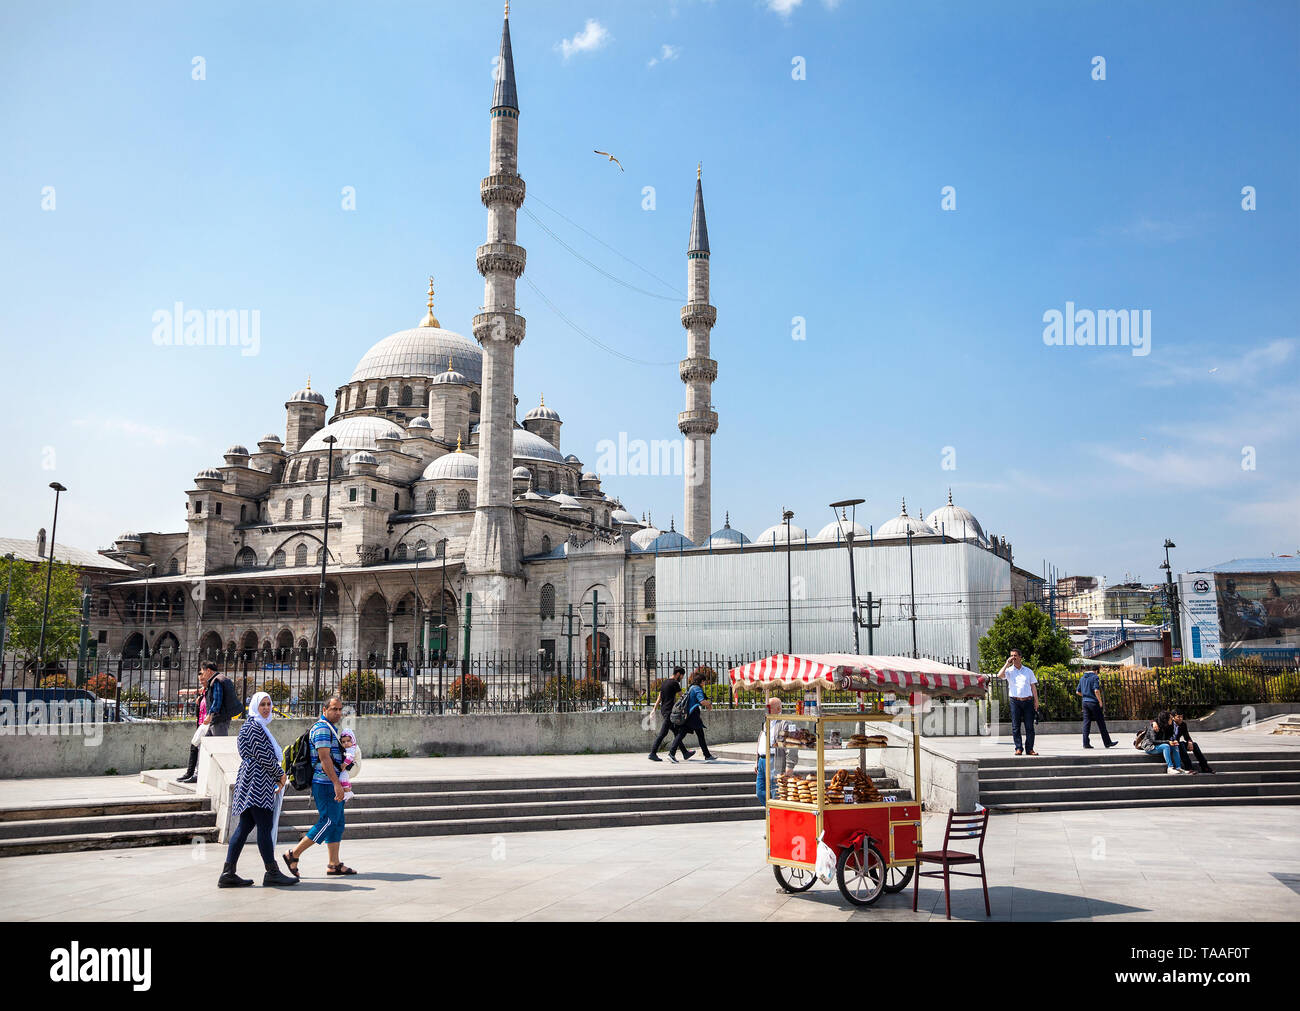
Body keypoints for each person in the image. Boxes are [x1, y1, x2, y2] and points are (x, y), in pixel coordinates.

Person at [218, 692, 300, 888]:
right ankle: (271, 872)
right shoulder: (254, 727)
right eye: (262, 704)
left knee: (245, 826)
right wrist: (279, 774)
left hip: (252, 779)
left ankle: (228, 872)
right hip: (257, 781)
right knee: (264, 826)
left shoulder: (256, 726)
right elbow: (264, 756)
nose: (266, 708)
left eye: (268, 704)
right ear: (254, 706)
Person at [283, 696, 356, 877]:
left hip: (330, 782)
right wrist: (336, 784)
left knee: (337, 823)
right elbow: (324, 759)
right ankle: (294, 854)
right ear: (324, 711)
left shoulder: (330, 728)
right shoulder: (322, 728)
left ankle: (334, 864)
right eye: (334, 709)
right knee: (328, 821)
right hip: (325, 783)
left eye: (340, 709)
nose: (338, 713)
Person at [668, 670, 717, 763]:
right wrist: (709, 704)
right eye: (704, 681)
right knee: (687, 734)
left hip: (688, 714)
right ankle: (671, 753)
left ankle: (707, 755)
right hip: (693, 715)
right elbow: (702, 701)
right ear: (701, 681)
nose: (705, 683)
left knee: (693, 734)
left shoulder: (691, 687)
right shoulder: (697, 689)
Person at [997, 650, 1039, 756]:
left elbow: (1033, 686)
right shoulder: (1009, 671)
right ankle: (1018, 748)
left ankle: (1029, 749)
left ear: (1020, 657)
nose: (1013, 657)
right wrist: (1007, 663)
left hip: (1028, 701)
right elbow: (999, 675)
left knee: (1029, 726)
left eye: (1015, 655)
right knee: (1016, 726)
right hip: (1015, 701)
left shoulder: (1028, 671)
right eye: (1011, 656)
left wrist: (1036, 701)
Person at [176, 665, 212, 783]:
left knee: (197, 747)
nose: (201, 682)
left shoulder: (211, 691)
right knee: (195, 746)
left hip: (208, 725)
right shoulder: (204, 692)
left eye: (203, 680)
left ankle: (194, 773)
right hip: (201, 724)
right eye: (200, 681)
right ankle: (191, 772)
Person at [755, 697, 795, 798]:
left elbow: (790, 745)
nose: (767, 710)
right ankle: (770, 812)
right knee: (760, 791)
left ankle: (773, 812)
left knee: (775, 789)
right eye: (767, 707)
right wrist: (757, 759)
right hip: (762, 760)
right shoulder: (767, 722)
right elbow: (761, 740)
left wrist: (789, 766)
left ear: (778, 709)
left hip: (774, 759)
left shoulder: (784, 723)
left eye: (770, 707)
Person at [647, 668, 687, 762]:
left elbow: (659, 697)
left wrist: (654, 709)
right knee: (663, 733)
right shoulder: (674, 683)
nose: (681, 678)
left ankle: (685, 752)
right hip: (669, 711)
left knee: (676, 732)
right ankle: (652, 753)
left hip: (664, 710)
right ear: (678, 674)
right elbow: (683, 696)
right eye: (681, 676)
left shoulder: (665, 682)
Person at [1075, 667, 1118, 750]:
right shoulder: (1095, 677)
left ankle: (1086, 743)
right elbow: (1096, 691)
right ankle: (1107, 742)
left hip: (1085, 703)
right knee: (1101, 723)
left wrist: (1085, 696)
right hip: (1093, 703)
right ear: (1096, 671)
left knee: (1086, 723)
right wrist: (1100, 701)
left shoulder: (1082, 678)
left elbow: (1077, 692)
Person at [202, 660, 243, 737]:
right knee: (209, 743)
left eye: (203, 673)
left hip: (219, 719)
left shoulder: (217, 680)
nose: (203, 676)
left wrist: (210, 714)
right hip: (217, 719)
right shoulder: (217, 679)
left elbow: (217, 700)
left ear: (208, 670)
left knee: (219, 743)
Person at [338, 728, 361, 801]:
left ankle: (348, 792)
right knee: (345, 778)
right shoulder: (349, 748)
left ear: (353, 740)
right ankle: (348, 788)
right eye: (343, 742)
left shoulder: (352, 748)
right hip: (350, 767)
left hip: (351, 767)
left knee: (342, 777)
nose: (346, 743)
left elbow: (349, 758)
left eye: (348, 741)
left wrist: (344, 765)